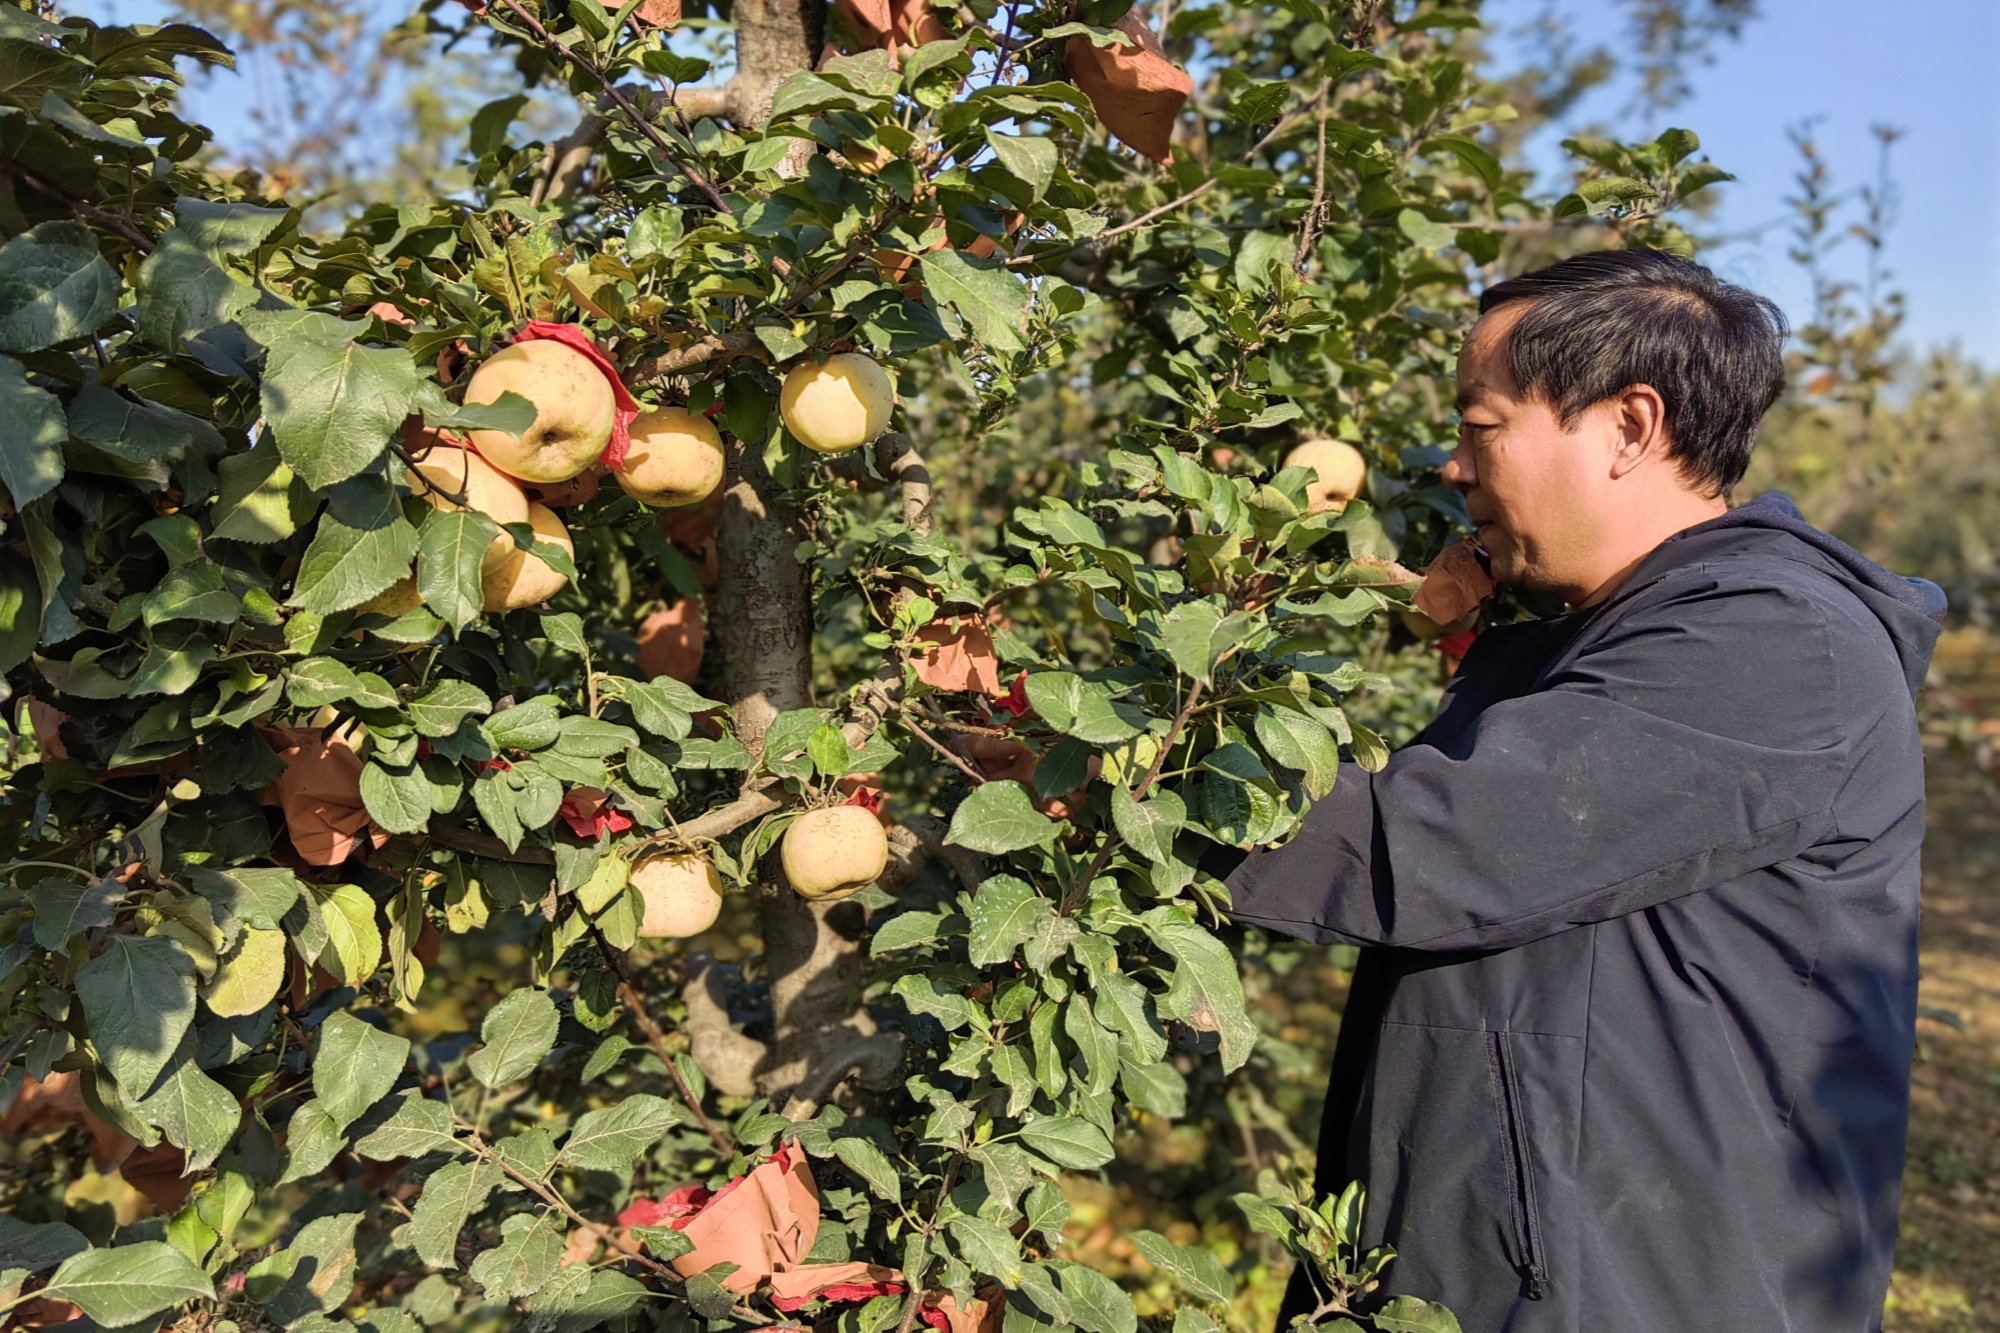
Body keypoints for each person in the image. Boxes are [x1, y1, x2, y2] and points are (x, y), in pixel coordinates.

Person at [1222, 250, 1945, 1331]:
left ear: (1627, 427)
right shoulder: (1609, 633)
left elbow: (1427, 845)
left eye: (1480, 428)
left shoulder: (1772, 641)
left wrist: (1113, 778)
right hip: (1520, 1258)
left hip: (1634, 1285)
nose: (1456, 471)